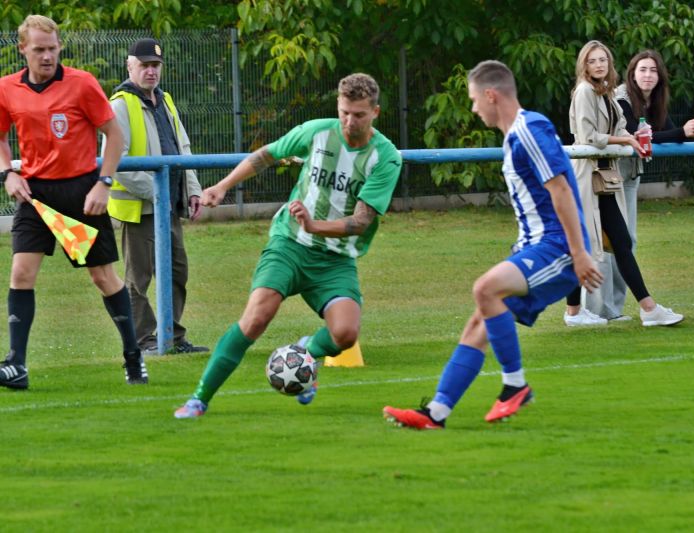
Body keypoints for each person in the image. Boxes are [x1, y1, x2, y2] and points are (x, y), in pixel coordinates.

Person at [382, 60, 603, 430]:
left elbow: (562, 190)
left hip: (557, 248)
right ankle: (436, 413)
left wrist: (578, 253)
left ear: (490, 95)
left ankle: (515, 385)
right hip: (535, 247)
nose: (473, 109)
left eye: (473, 100)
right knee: (476, 324)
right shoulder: (514, 136)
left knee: (485, 289)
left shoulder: (529, 129)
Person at [174, 72, 402, 418]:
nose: (349, 121)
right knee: (256, 318)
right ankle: (199, 399)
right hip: (290, 244)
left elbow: (360, 222)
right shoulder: (317, 132)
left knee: (345, 334)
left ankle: (305, 350)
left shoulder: (385, 157)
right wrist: (222, 186)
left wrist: (315, 224)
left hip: (335, 259)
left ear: (376, 113)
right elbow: (267, 155)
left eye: (358, 114)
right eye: (343, 112)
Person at [0, 15, 147, 389]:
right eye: (39, 50)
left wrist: (104, 184)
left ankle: (133, 355)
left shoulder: (82, 84)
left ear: (59, 47)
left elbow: (114, 135)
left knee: (102, 277)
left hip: (81, 195)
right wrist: (8, 173)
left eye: (52, 49)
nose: (47, 56)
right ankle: (16, 364)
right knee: (21, 274)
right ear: (22, 50)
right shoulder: (7, 88)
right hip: (37, 197)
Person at [563, 40, 683, 327]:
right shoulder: (584, 92)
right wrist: (626, 139)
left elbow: (616, 127)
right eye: (593, 61)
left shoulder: (604, 92)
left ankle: (646, 308)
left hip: (604, 176)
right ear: (584, 65)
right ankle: (578, 312)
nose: (599, 65)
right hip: (587, 176)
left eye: (603, 59)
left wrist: (632, 135)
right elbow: (589, 136)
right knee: (585, 245)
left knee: (618, 242)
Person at [104, 38, 208, 355]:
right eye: (145, 65)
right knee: (139, 278)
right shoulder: (120, 105)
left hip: (169, 207)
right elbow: (116, 162)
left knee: (177, 272)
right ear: (130, 65)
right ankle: (145, 339)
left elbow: (183, 149)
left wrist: (192, 190)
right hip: (141, 210)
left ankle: (172, 336)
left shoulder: (166, 101)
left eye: (156, 65)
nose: (151, 71)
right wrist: (158, 192)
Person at [600, 49, 694, 319]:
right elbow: (639, 135)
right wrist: (681, 131)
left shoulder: (654, 101)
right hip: (608, 179)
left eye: (653, 70)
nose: (648, 75)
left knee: (626, 243)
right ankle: (603, 309)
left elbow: (663, 133)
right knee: (612, 244)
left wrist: (686, 130)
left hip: (629, 179)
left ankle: (614, 309)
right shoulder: (621, 98)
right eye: (643, 69)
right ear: (632, 74)